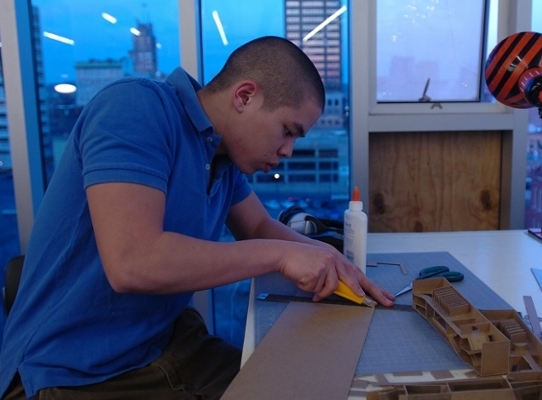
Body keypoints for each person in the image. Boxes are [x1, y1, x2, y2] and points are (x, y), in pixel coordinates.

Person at [0, 36, 394, 400]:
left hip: (159, 340)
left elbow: (257, 225)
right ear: (244, 96)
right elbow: (132, 262)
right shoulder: (136, 109)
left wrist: (335, 263)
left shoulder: (219, 156)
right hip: (69, 373)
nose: (289, 150)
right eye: (288, 131)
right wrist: (280, 256)